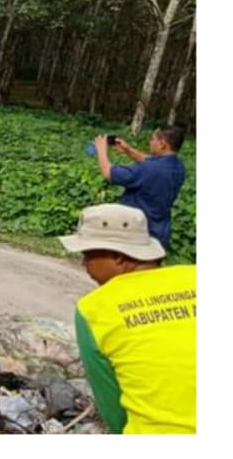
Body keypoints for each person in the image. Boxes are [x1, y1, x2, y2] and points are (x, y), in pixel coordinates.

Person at [59, 204, 195, 433]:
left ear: (117, 257)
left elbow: (113, 409)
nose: (84, 265)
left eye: (88, 255)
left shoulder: (94, 309)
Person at [90, 125, 186, 251]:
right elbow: (148, 160)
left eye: (153, 139)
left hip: (136, 234)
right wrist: (127, 150)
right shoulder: (178, 166)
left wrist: (101, 150)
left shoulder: (148, 169)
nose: (150, 142)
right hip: (159, 234)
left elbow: (108, 172)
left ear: (162, 144)